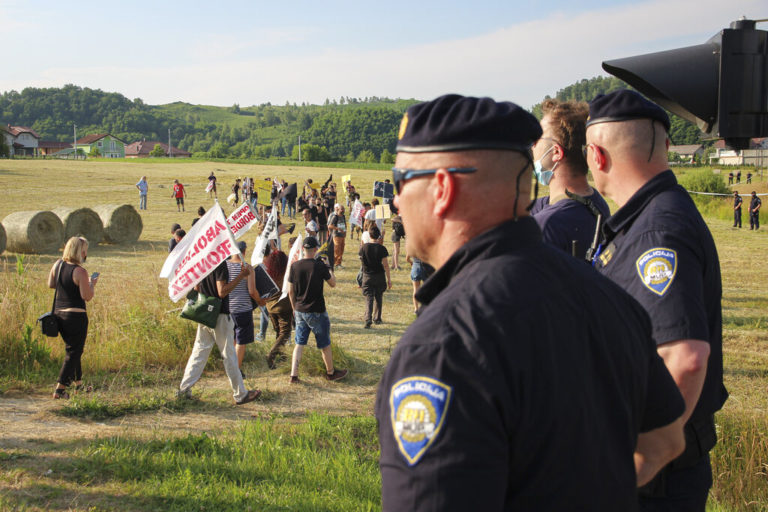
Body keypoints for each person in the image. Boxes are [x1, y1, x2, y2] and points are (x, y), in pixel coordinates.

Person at [376, 94, 686, 510]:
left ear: (443, 190)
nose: (395, 201)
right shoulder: (611, 297)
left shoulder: (441, 348)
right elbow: (665, 441)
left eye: (399, 181)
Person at [585, 90, 727, 510]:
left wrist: (633, 467)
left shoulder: (655, 232)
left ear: (596, 155)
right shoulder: (653, 216)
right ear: (666, 146)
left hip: (653, 485)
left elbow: (685, 359)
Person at [530, 99, 610, 260]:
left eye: (537, 139)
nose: (532, 146)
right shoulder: (596, 202)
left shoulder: (547, 225)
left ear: (556, 152)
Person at [177, 258, 261, 405]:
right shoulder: (219, 263)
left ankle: (184, 390)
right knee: (229, 355)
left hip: (204, 313)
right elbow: (221, 292)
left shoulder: (202, 261)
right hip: (220, 315)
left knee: (199, 353)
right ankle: (241, 394)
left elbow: (197, 288)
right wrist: (241, 276)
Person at [286, 237, 348, 384]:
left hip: (300, 309)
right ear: (315, 250)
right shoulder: (319, 266)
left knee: (299, 343)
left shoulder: (295, 266)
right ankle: (331, 373)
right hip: (317, 310)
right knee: (324, 344)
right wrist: (329, 268)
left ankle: (293, 375)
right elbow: (332, 283)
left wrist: (294, 308)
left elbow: (290, 291)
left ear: (303, 250)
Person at [47, 236, 98, 399]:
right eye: (85, 251)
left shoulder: (58, 264)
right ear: (81, 252)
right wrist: (91, 284)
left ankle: (79, 385)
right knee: (74, 352)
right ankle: (60, 389)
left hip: (59, 315)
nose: (86, 254)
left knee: (73, 350)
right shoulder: (80, 271)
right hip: (75, 316)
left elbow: (51, 284)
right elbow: (87, 296)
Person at [226, 241, 266, 376]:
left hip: (228, 308)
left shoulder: (224, 266)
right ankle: (236, 371)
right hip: (243, 308)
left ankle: (231, 367)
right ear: (244, 251)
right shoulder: (247, 268)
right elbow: (252, 291)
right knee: (241, 341)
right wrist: (260, 301)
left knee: (232, 340)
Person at [264, 246, 292, 369]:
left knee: (278, 332)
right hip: (283, 307)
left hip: (270, 307)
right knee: (285, 333)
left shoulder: (268, 273)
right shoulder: (286, 274)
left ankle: (281, 353)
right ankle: (271, 355)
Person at [359, 225, 392, 328]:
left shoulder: (364, 247)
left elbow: (361, 260)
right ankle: (377, 318)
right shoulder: (382, 248)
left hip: (367, 275)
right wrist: (389, 279)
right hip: (379, 275)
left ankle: (368, 318)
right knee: (379, 296)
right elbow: (386, 265)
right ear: (378, 236)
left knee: (369, 297)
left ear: (369, 235)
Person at [328, 203, 347, 269]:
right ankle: (335, 263)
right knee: (337, 250)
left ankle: (338, 263)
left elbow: (345, 224)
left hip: (342, 235)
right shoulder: (335, 217)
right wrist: (338, 228)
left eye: (343, 209)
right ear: (338, 209)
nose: (343, 210)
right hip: (336, 235)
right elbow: (330, 225)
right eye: (341, 209)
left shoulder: (343, 216)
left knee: (341, 249)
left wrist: (345, 232)